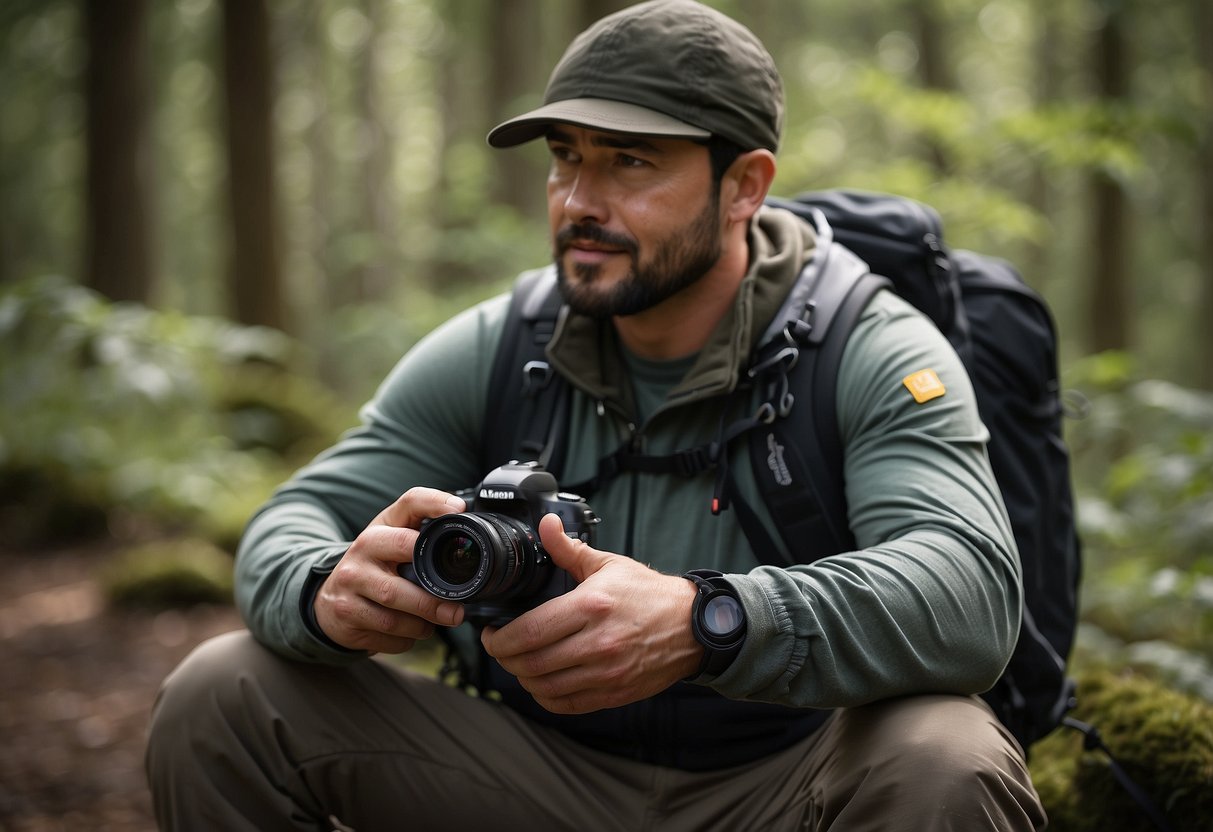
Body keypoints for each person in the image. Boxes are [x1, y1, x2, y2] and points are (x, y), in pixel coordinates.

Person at [145, 1, 1047, 829]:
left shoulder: (867, 348)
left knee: (945, 756)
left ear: (744, 186)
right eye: (566, 158)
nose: (580, 201)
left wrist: (706, 622)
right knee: (221, 691)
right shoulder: (505, 346)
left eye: (629, 161)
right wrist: (323, 590)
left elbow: (969, 593)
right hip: (537, 779)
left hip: (791, 784)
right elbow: (289, 521)